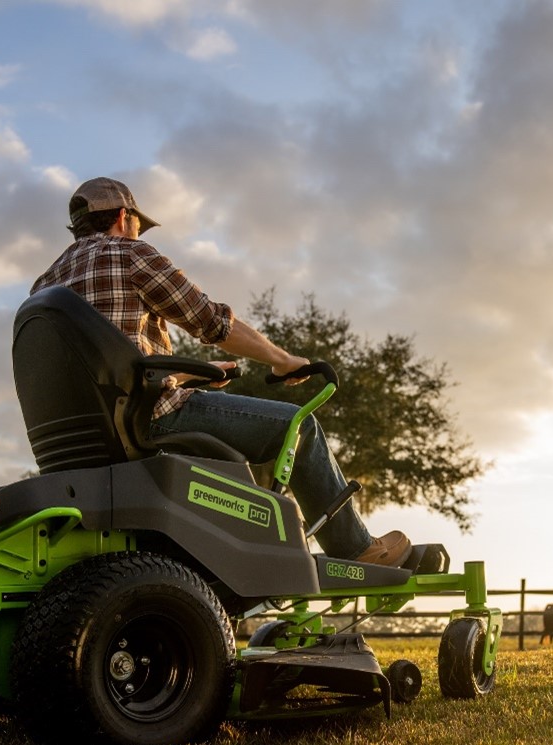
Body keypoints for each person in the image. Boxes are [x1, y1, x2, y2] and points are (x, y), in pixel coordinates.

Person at [30, 177, 411, 567]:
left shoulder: (43, 287)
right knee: (299, 428)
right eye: (137, 224)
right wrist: (281, 359)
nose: (138, 232)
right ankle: (355, 549)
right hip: (151, 420)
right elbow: (212, 322)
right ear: (124, 217)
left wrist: (192, 373)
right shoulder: (130, 254)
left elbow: (109, 373)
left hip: (76, 445)